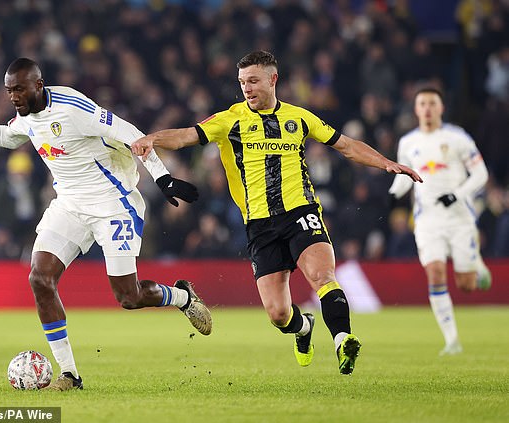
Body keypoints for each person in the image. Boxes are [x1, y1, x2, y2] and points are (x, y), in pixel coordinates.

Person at [0, 57, 212, 391]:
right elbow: (9, 137)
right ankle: (69, 374)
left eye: (18, 89)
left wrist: (163, 179)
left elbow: (130, 132)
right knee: (39, 278)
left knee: (129, 297)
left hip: (113, 205)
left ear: (38, 84)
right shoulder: (26, 114)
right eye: (8, 91)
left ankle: (182, 297)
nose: (13, 97)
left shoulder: (73, 107)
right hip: (69, 206)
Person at [131, 51, 422, 375]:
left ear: (273, 79)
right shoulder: (230, 119)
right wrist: (153, 138)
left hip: (301, 211)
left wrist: (386, 163)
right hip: (259, 224)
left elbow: (346, 145)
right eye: (242, 82)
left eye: (253, 81)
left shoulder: (299, 118)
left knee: (322, 276)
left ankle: (343, 340)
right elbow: (187, 135)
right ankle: (304, 329)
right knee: (278, 314)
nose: (247, 88)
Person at [388, 87, 492, 356]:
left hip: (459, 219)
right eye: (422, 103)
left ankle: (476, 266)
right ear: (416, 109)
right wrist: (392, 193)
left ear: (441, 108)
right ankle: (452, 340)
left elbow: (480, 174)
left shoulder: (457, 138)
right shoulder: (408, 142)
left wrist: (458, 194)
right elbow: (404, 177)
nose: (427, 108)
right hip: (427, 220)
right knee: (435, 273)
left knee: (467, 285)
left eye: (432, 103)